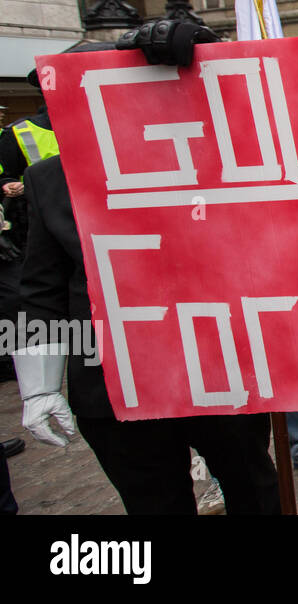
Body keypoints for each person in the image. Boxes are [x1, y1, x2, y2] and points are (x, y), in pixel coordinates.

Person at [14, 40, 282, 514]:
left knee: (253, 490)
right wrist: (38, 386)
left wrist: (193, 47)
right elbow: (41, 290)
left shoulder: (202, 153)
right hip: (112, 382)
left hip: (216, 370)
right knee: (153, 504)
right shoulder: (48, 179)